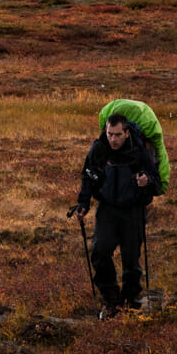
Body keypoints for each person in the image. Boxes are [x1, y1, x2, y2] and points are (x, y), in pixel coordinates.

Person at [66, 113, 158, 315]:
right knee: (100, 252)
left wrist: (146, 181)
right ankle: (111, 300)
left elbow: (155, 178)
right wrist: (83, 204)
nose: (113, 139)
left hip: (133, 210)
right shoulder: (99, 147)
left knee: (131, 259)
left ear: (126, 133)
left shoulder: (139, 150)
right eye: (109, 134)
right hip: (107, 208)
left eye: (117, 135)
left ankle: (130, 301)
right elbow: (88, 176)